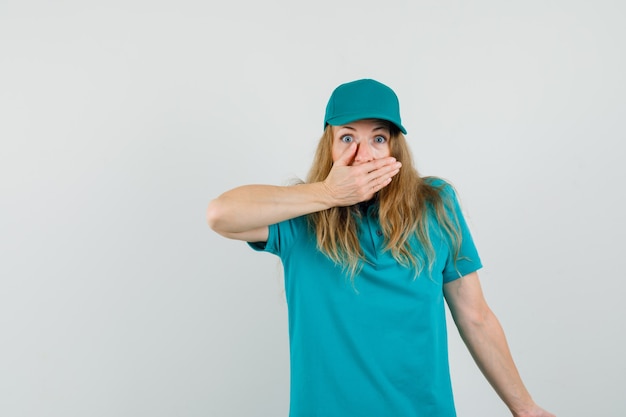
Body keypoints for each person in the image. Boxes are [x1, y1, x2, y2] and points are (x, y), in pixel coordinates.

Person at [206, 79, 555, 417]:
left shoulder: (436, 206)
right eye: (347, 138)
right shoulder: (299, 217)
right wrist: (327, 194)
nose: (363, 155)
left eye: (378, 138)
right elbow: (221, 214)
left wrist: (524, 408)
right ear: (328, 147)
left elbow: (475, 316)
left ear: (394, 148)